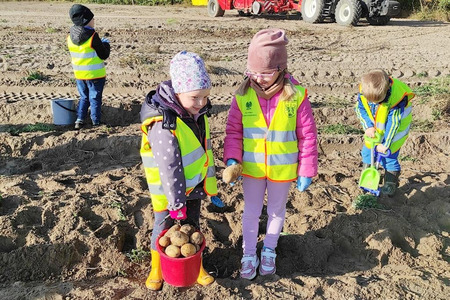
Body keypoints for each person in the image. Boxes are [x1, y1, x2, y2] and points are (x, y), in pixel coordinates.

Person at [223, 29, 318, 280]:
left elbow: (307, 135)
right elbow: (233, 132)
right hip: (252, 169)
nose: (259, 79)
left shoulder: (296, 96)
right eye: (253, 73)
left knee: (277, 212)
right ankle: (248, 253)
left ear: (280, 69)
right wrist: (233, 160)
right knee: (251, 211)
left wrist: (306, 169)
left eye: (265, 73)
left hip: (282, 169)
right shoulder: (243, 95)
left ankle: (269, 250)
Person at [140, 51, 222, 290]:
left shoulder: (197, 113)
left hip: (192, 185)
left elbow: (205, 152)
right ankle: (157, 268)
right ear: (177, 92)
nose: (202, 103)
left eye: (206, 97)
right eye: (195, 97)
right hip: (168, 192)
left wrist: (211, 187)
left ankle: (195, 268)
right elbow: (170, 168)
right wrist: (176, 205)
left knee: (192, 226)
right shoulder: (164, 124)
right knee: (163, 229)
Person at [355, 69, 415, 196]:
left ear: (387, 89)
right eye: (371, 101)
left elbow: (393, 124)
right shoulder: (365, 91)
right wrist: (368, 127)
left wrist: (386, 143)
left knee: (389, 157)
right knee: (367, 152)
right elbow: (360, 109)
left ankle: (390, 183)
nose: (374, 104)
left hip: (394, 132)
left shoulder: (397, 99)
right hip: (375, 130)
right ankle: (368, 176)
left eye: (377, 102)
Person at [67, 4, 110, 129]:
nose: (94, 21)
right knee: (95, 98)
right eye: (92, 19)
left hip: (79, 75)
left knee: (84, 97)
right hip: (95, 74)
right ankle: (96, 122)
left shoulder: (70, 37)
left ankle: (79, 120)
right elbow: (103, 54)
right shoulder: (92, 36)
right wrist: (106, 44)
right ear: (86, 20)